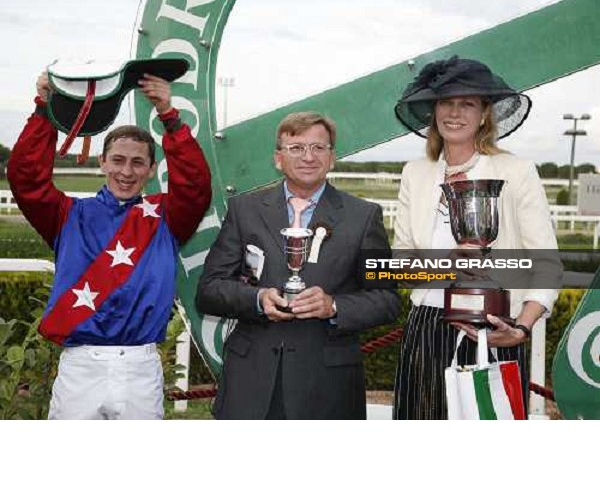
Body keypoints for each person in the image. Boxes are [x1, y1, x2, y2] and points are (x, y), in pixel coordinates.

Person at [7, 71, 212, 419]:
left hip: (140, 368)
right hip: (80, 367)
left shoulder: (167, 216)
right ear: (102, 162)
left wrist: (169, 116)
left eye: (138, 163)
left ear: (151, 170)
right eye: (117, 160)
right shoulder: (67, 214)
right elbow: (26, 178)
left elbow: (195, 185)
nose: (126, 172)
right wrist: (44, 109)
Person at [196, 111, 399, 419]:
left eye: (319, 148)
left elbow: (386, 300)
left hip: (327, 387)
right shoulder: (244, 210)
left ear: (332, 158)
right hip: (251, 383)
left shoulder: (363, 216)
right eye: (296, 148)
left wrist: (334, 306)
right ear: (279, 158)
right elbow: (209, 290)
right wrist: (258, 299)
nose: (308, 156)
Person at [392, 55, 560, 420]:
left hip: (494, 330)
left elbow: (546, 265)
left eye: (467, 103)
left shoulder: (516, 171)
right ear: (434, 111)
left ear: (485, 113)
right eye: (446, 103)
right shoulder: (415, 174)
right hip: (425, 331)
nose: (455, 113)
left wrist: (520, 329)